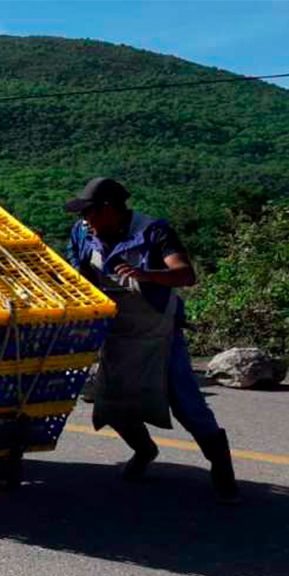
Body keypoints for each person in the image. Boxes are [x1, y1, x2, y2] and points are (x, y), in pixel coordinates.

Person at [65, 177, 239, 503]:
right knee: (112, 404)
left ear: (108, 210)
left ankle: (223, 472)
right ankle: (144, 451)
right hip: (116, 332)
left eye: (89, 213)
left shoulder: (153, 232)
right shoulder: (83, 234)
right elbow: (77, 270)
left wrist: (148, 275)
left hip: (158, 332)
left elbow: (185, 274)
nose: (84, 220)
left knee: (187, 404)